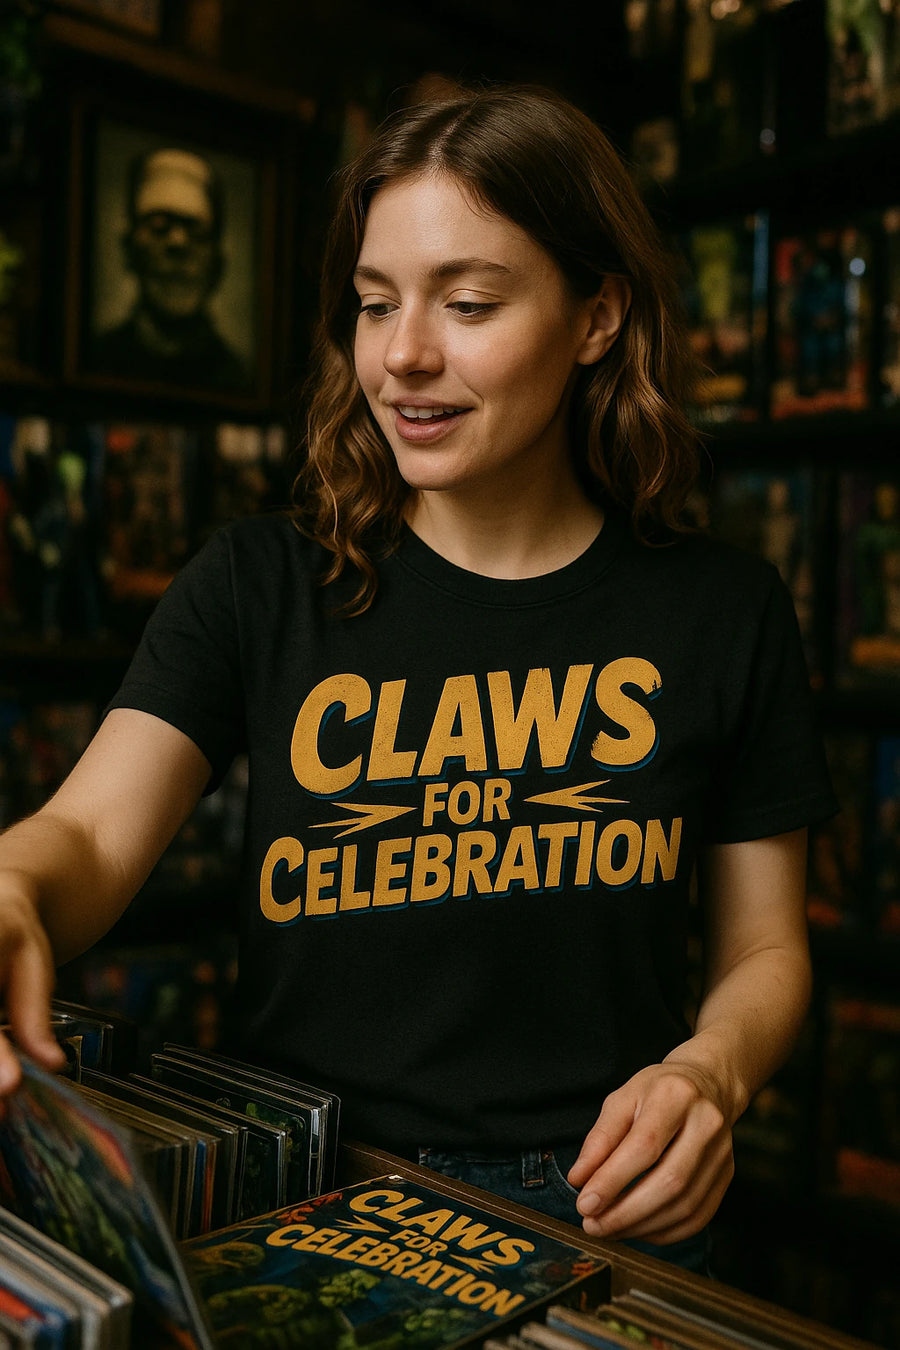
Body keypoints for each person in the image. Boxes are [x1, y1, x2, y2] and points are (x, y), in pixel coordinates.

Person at [0, 83, 835, 1273]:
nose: (403, 356)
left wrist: (711, 1074)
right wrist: (12, 887)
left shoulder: (722, 609)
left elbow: (766, 951)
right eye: (375, 304)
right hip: (299, 1196)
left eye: (472, 302)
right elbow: (83, 835)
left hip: (603, 1207)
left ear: (597, 317)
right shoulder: (259, 584)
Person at [89, 146, 248, 392]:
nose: (177, 245)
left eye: (196, 231)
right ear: (129, 249)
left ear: (218, 263)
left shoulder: (238, 377)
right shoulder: (100, 357)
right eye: (158, 227)